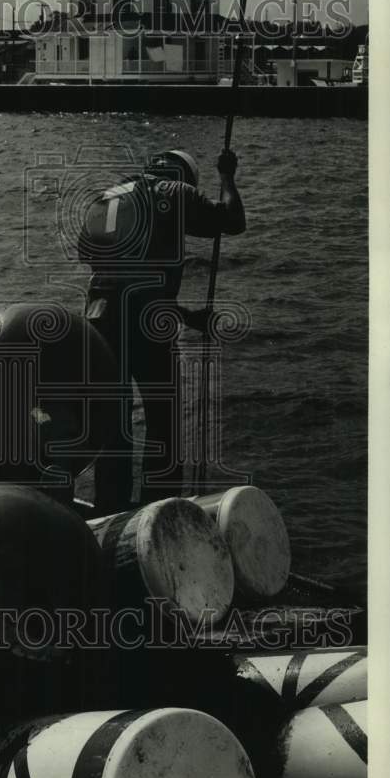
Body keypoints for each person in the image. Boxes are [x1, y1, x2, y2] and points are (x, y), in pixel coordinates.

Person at [78, 148, 245, 512]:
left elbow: (116, 279)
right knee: (163, 421)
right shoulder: (173, 191)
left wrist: (184, 315)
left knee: (113, 425)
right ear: (182, 175)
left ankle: (110, 508)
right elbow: (233, 221)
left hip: (98, 325)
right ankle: (161, 512)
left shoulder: (105, 198)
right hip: (147, 324)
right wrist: (227, 176)